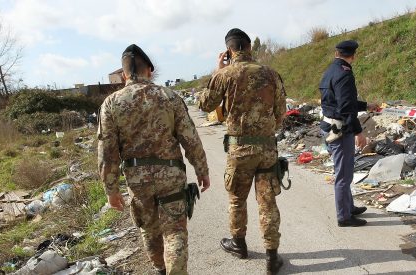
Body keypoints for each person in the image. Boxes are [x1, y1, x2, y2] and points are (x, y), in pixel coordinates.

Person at [98, 44, 211, 275]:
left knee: (149, 230)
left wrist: (111, 189)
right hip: (171, 176)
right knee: (175, 231)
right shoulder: (169, 96)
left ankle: (160, 270)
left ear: (124, 74)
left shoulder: (111, 104)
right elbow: (190, 137)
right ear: (149, 69)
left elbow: (107, 152)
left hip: (138, 180)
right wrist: (202, 170)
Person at [198, 28, 286, 275]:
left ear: (229, 50)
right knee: (267, 201)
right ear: (249, 47)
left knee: (237, 198)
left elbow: (206, 104)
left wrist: (217, 70)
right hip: (267, 147)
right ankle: (271, 257)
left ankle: (238, 243)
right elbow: (281, 113)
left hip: (239, 148)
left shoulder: (225, 74)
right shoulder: (271, 74)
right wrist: (266, 131)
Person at [319, 40, 376, 227]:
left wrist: (366, 105)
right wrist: (358, 132)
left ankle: (349, 207)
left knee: (344, 171)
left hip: (328, 126)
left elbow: (342, 101)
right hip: (340, 131)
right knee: (343, 175)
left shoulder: (329, 72)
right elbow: (346, 108)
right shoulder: (345, 75)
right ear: (353, 56)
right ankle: (344, 217)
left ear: (337, 54)